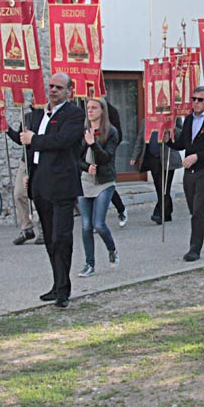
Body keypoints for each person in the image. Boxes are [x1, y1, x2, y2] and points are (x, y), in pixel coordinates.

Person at [8, 72, 85, 308]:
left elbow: (62, 141)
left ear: (68, 92)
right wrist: (8, 130)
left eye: (59, 87)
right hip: (41, 183)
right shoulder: (38, 114)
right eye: (51, 86)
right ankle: (56, 284)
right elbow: (28, 144)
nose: (53, 90)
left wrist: (34, 139)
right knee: (50, 239)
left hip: (62, 184)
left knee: (61, 237)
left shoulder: (74, 114)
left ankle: (64, 289)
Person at [167, 85, 204, 261]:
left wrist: (197, 156)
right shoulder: (189, 119)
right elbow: (182, 143)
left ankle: (194, 249)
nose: (196, 102)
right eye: (194, 99)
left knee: (199, 210)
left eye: (200, 99)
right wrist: (168, 141)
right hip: (189, 171)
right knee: (194, 209)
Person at [78, 97, 120, 277]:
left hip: (104, 182)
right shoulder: (82, 130)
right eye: (88, 107)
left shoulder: (111, 132)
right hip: (85, 181)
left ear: (102, 111)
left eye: (94, 108)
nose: (90, 111)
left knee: (99, 224)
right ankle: (89, 264)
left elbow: (106, 157)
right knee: (86, 225)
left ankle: (112, 249)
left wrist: (93, 143)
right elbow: (75, 158)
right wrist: (86, 167)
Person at [6, 101, 44, 246]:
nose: (34, 99)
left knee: (40, 196)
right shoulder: (27, 116)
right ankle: (27, 228)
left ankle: (44, 229)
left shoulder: (48, 117)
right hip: (26, 160)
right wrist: (7, 129)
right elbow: (20, 140)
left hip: (41, 160)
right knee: (19, 194)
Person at [131, 118, 181, 224]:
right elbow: (140, 140)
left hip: (168, 158)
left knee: (165, 188)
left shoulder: (173, 117)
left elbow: (181, 135)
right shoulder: (147, 119)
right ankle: (167, 213)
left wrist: (171, 128)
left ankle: (159, 213)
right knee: (159, 188)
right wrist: (135, 156)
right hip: (153, 158)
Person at [103, 98, 130, 227]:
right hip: (88, 154)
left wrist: (108, 149)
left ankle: (121, 209)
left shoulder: (111, 111)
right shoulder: (83, 108)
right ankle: (95, 220)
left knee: (106, 184)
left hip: (105, 153)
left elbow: (118, 135)